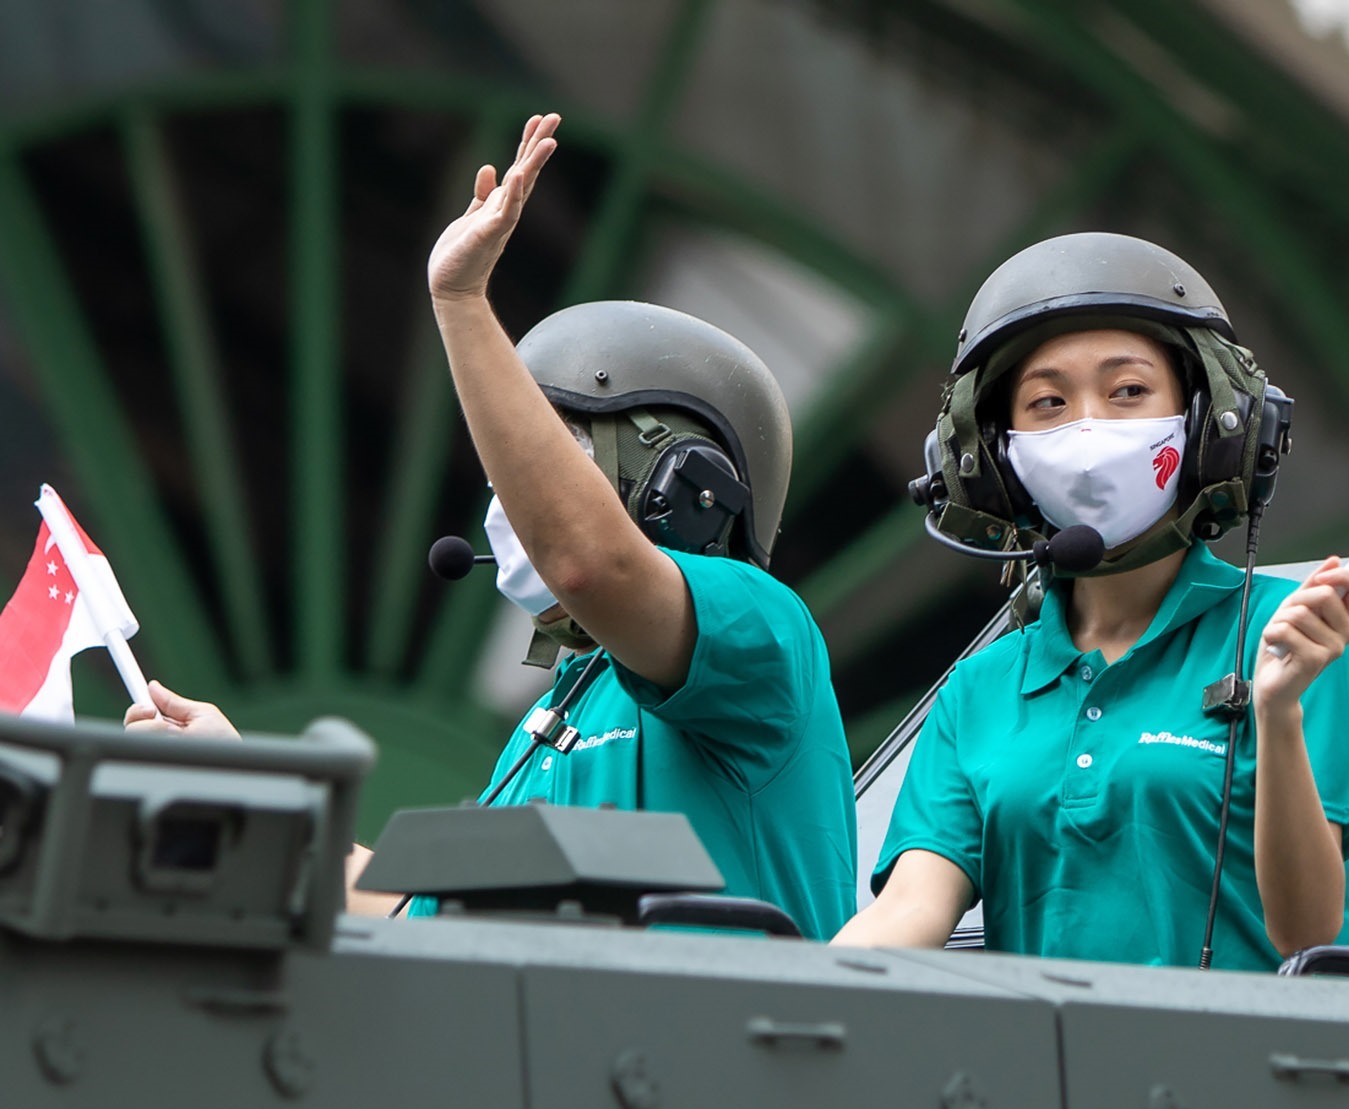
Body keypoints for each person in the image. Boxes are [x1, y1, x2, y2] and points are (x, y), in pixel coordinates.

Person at [128, 112, 858, 940]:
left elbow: (588, 563)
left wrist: (462, 303)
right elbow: (411, 909)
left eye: (557, 451)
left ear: (686, 489)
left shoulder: (763, 631)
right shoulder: (558, 717)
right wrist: (244, 790)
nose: (512, 494)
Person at [833, 231, 1349, 970]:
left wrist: (1279, 712)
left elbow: (1311, 936)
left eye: (1129, 390)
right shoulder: (980, 689)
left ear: (1210, 422)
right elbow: (910, 910)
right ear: (992, 455)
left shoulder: (1289, 634)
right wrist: (778, 991)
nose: (1088, 426)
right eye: (1047, 402)